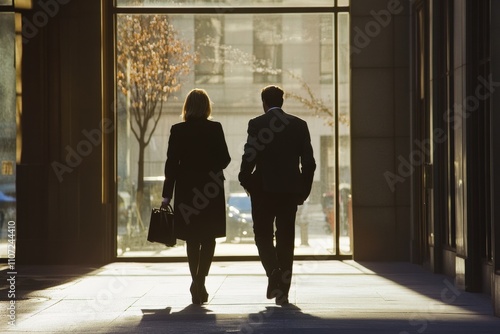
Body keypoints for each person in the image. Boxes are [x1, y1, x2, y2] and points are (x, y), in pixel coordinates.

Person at [238, 85, 316, 305]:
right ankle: (283, 292)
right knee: (286, 239)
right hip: (290, 192)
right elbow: (308, 163)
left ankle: (273, 271)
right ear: (282, 102)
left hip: (263, 190)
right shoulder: (299, 126)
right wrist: (303, 190)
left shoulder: (257, 124)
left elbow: (250, 154)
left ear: (264, 103)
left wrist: (245, 178)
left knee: (262, 235)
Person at [161, 88, 231, 305]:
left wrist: (166, 196)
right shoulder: (215, 128)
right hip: (210, 190)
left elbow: (171, 164)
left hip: (187, 190)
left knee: (191, 239)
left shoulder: (178, 130)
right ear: (207, 107)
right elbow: (225, 159)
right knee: (209, 238)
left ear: (187, 107)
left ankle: (196, 282)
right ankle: (200, 282)